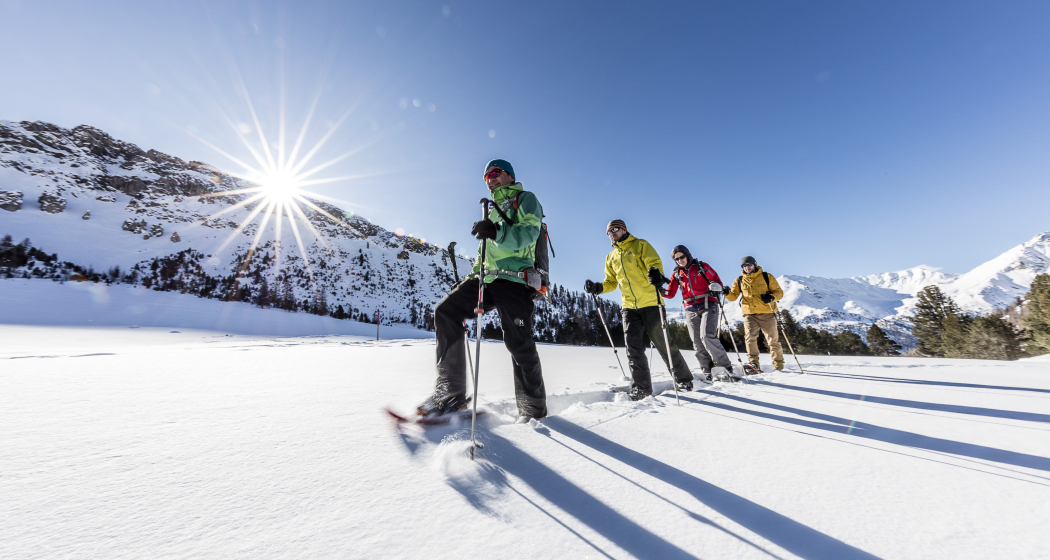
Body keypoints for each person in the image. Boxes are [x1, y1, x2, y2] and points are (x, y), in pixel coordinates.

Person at [418, 159, 547, 421]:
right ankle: (450, 394)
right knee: (445, 311)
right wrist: (470, 278)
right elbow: (484, 255)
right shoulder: (489, 209)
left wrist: (497, 233)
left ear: (510, 176)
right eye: (487, 175)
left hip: (514, 279)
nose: (491, 178)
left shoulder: (525, 199)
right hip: (485, 279)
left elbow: (528, 234)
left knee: (519, 343)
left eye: (496, 172)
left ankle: (533, 410)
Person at [583, 220, 693, 400]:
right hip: (629, 307)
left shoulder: (640, 245)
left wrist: (655, 272)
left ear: (624, 229)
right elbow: (611, 282)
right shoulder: (611, 257)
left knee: (664, 343)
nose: (612, 233)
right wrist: (598, 287)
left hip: (651, 302)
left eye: (615, 229)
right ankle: (641, 389)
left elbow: (654, 262)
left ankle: (684, 380)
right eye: (608, 232)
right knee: (633, 349)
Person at [663, 245, 734, 381]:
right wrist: (659, 289)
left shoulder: (702, 267)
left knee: (706, 336)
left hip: (709, 304)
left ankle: (725, 367)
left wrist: (716, 287)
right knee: (697, 342)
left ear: (687, 255)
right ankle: (708, 370)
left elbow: (717, 282)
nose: (680, 260)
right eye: (676, 259)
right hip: (690, 309)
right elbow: (670, 293)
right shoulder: (677, 273)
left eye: (682, 257)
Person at [724, 255, 785, 371]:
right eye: (744, 266)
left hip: (767, 313)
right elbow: (733, 297)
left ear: (755, 264)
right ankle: (753, 364)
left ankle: (778, 366)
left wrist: (771, 297)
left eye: (750, 264)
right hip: (749, 315)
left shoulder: (767, 277)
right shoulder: (739, 280)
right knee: (750, 339)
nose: (747, 267)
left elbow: (779, 293)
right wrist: (726, 293)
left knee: (773, 340)